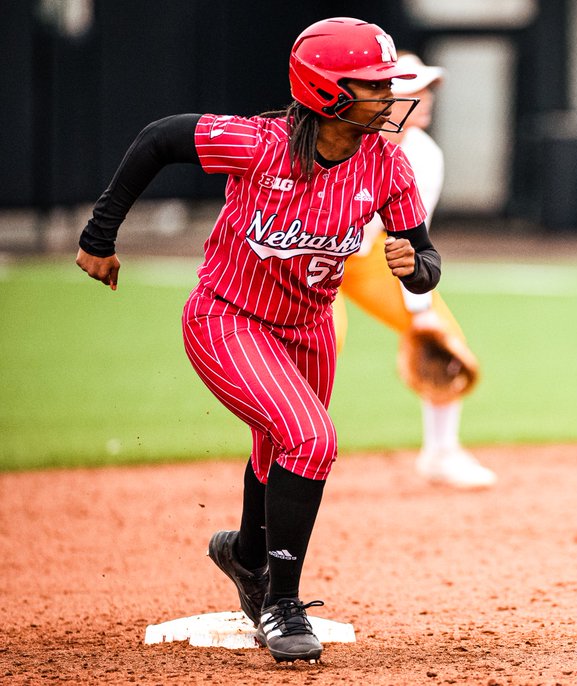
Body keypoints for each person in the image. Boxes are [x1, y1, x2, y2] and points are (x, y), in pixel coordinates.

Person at [74, 18, 439, 663]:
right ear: (326, 90)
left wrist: (416, 267)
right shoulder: (258, 144)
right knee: (312, 438)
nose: (391, 96)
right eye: (375, 85)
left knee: (281, 451)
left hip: (309, 328)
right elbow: (159, 139)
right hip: (228, 316)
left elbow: (426, 260)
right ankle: (281, 603)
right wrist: (99, 235)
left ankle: (246, 557)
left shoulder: (388, 165)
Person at [332, 52, 496, 489]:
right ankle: (284, 452)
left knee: (445, 337)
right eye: (413, 90)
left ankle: (441, 453)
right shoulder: (341, 138)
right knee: (324, 343)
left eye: (427, 90)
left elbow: (410, 240)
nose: (425, 99)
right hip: (313, 255)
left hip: (369, 254)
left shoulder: (424, 154)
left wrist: (420, 310)